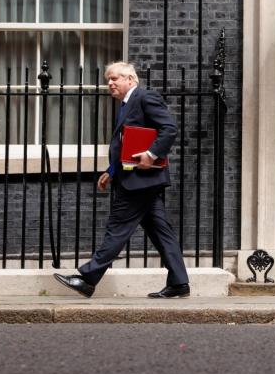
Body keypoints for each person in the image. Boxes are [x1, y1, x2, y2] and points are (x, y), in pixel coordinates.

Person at [54, 61, 190, 298]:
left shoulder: (144, 97)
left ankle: (87, 278)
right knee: (161, 232)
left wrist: (151, 154)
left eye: (115, 78)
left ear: (130, 79)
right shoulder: (128, 104)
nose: (110, 83)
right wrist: (112, 171)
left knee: (117, 228)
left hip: (139, 181)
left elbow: (169, 129)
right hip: (138, 179)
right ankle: (179, 283)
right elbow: (126, 144)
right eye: (108, 79)